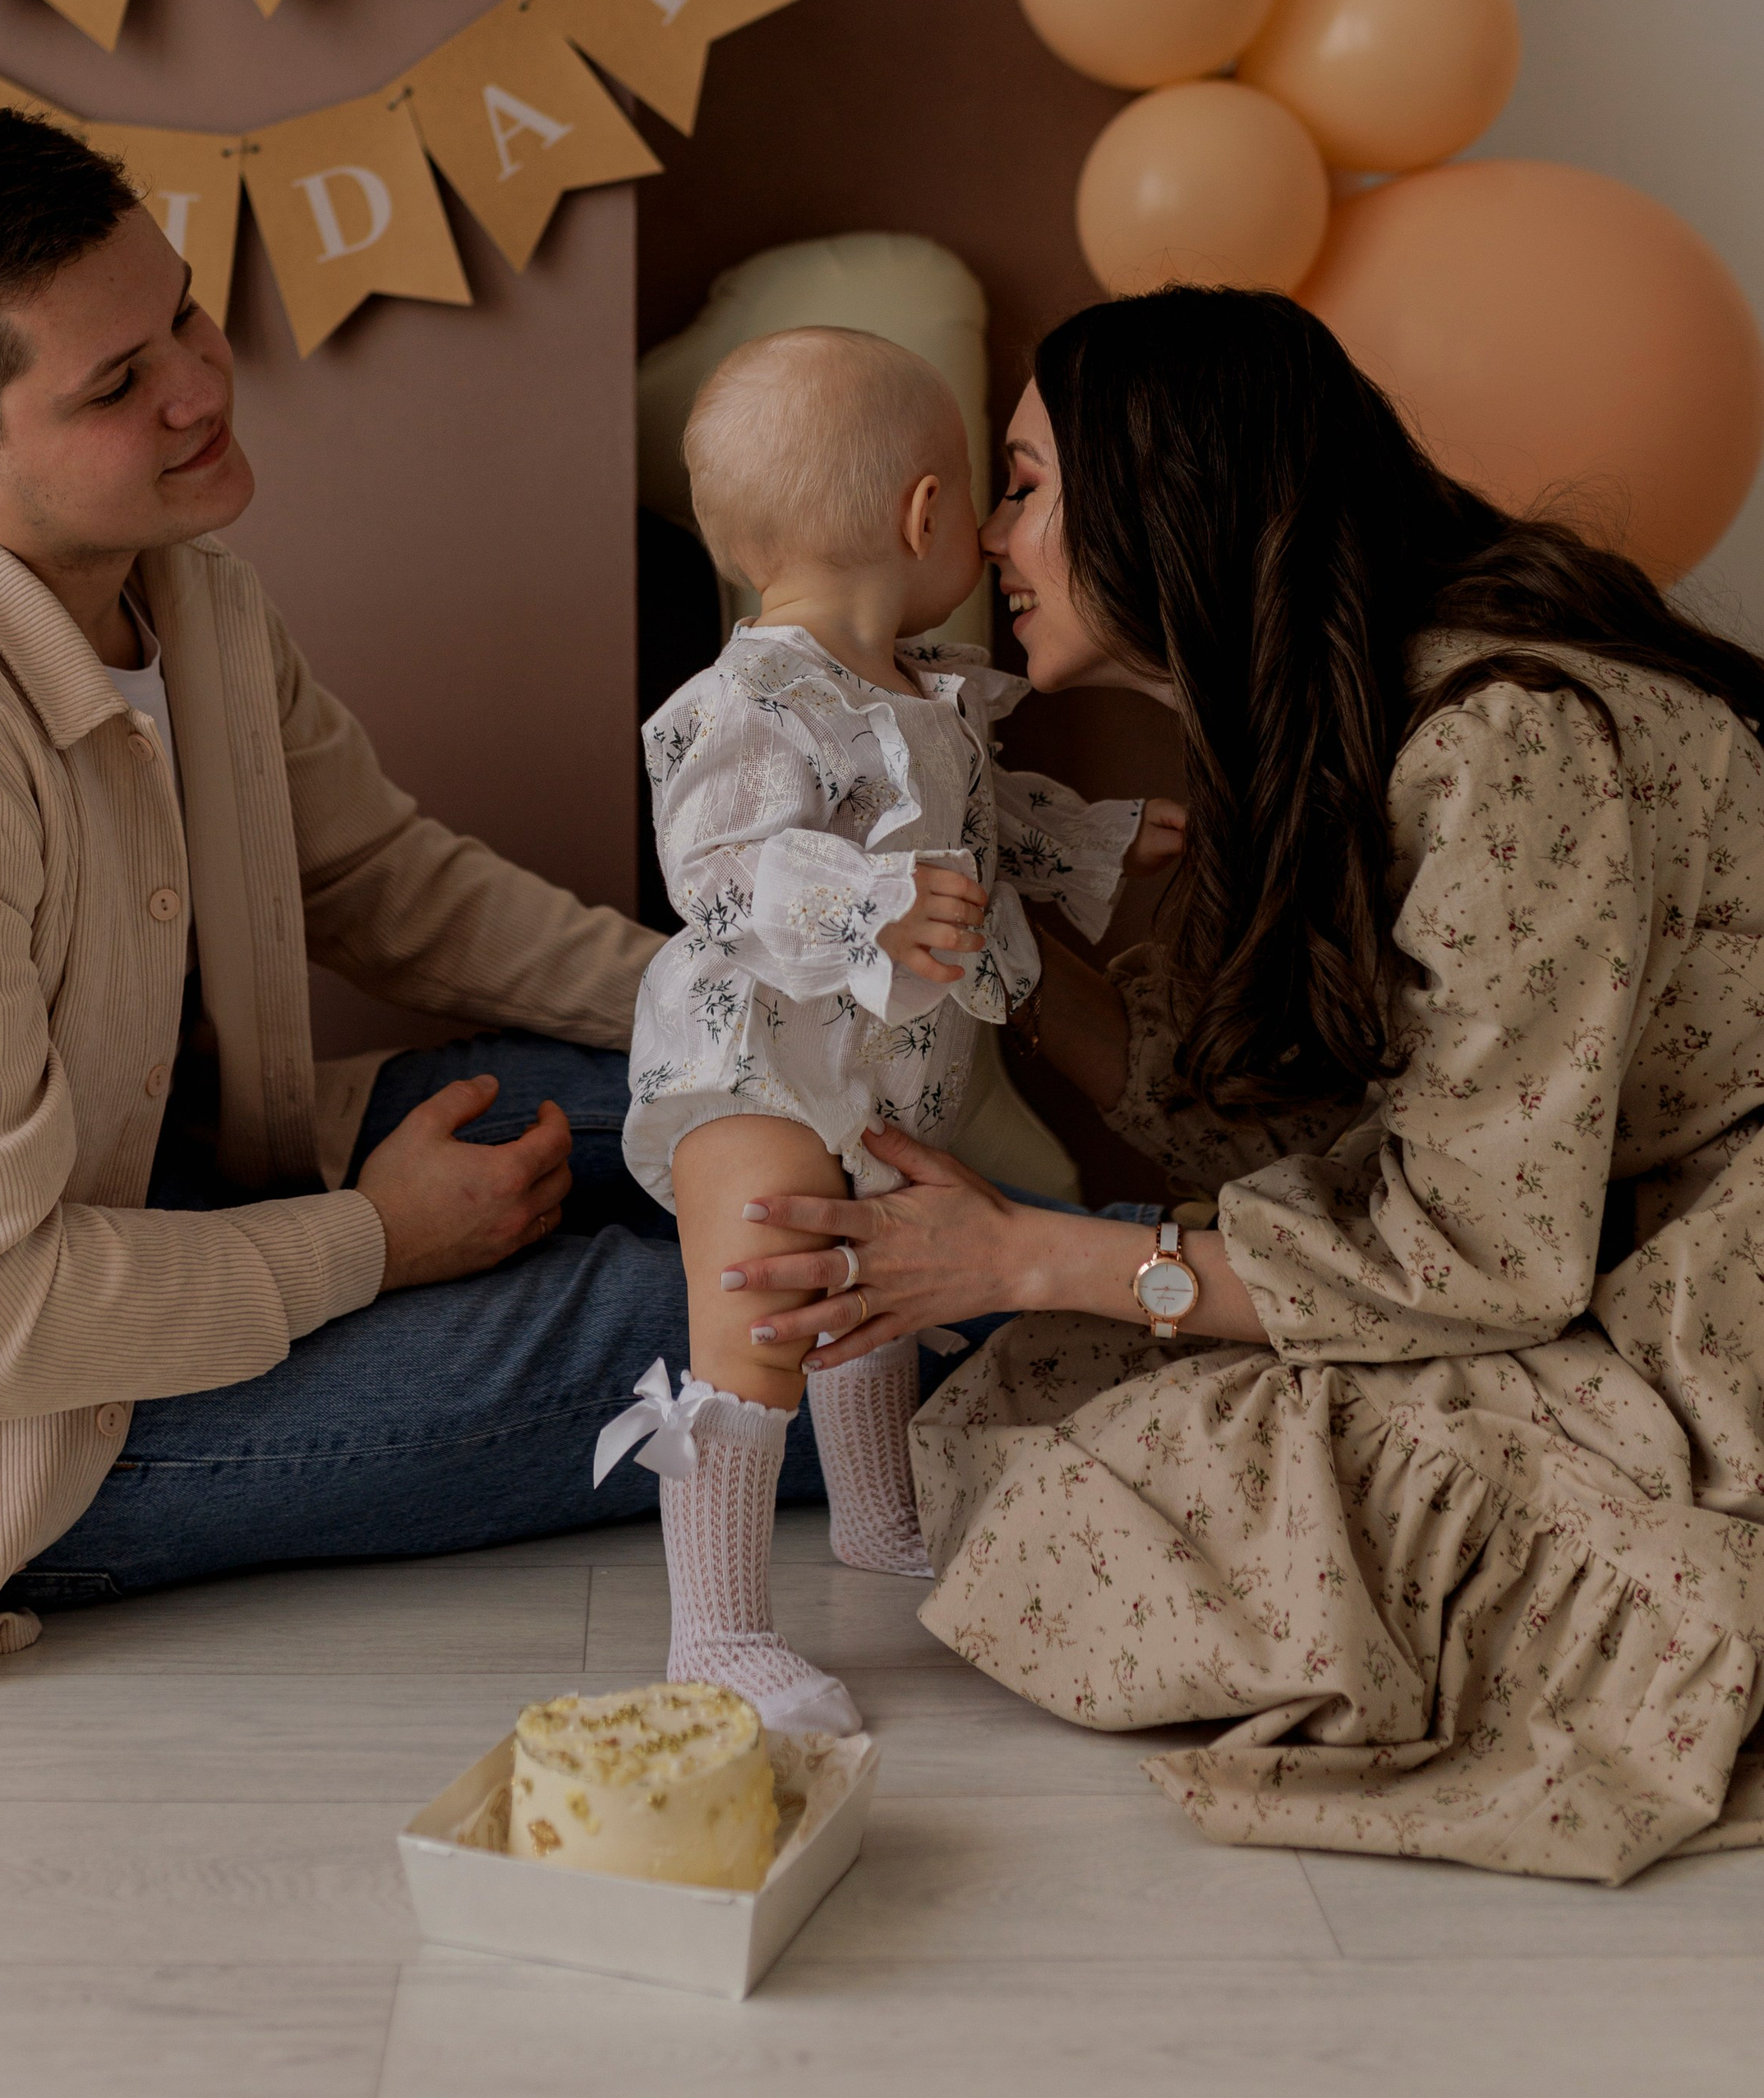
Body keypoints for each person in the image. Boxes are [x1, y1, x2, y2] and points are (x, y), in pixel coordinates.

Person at [0, 106, 824, 1691]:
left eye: (185, 317)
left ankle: (1113, 1263)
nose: (202, 387)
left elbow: (385, 884)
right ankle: (1157, 1314)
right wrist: (369, 1240)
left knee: (739, 1111)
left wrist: (743, 1008)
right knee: (696, 1320)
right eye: (117, 385)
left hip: (160, 1203)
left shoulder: (179, 578)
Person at [721, 287, 1764, 1882]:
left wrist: (1025, 1251)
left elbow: (1479, 1247)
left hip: (1700, 1246)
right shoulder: (1318, 715)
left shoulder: (1498, 736)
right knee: (1051, 1393)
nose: (996, 539)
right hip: (1569, 1216)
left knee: (1139, 1452)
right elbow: (1290, 1117)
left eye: (1022, 482)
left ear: (1157, 489)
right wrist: (967, 899)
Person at [594, 327, 1181, 1734]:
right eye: (975, 495)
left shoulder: (932, 689)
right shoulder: (748, 697)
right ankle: (718, 1628)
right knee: (772, 1290)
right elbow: (717, 866)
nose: (984, 528)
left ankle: (877, 1517)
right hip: (755, 1059)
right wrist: (866, 897)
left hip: (878, 1068)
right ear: (924, 514)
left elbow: (971, 828)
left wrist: (1092, 837)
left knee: (869, 1282)